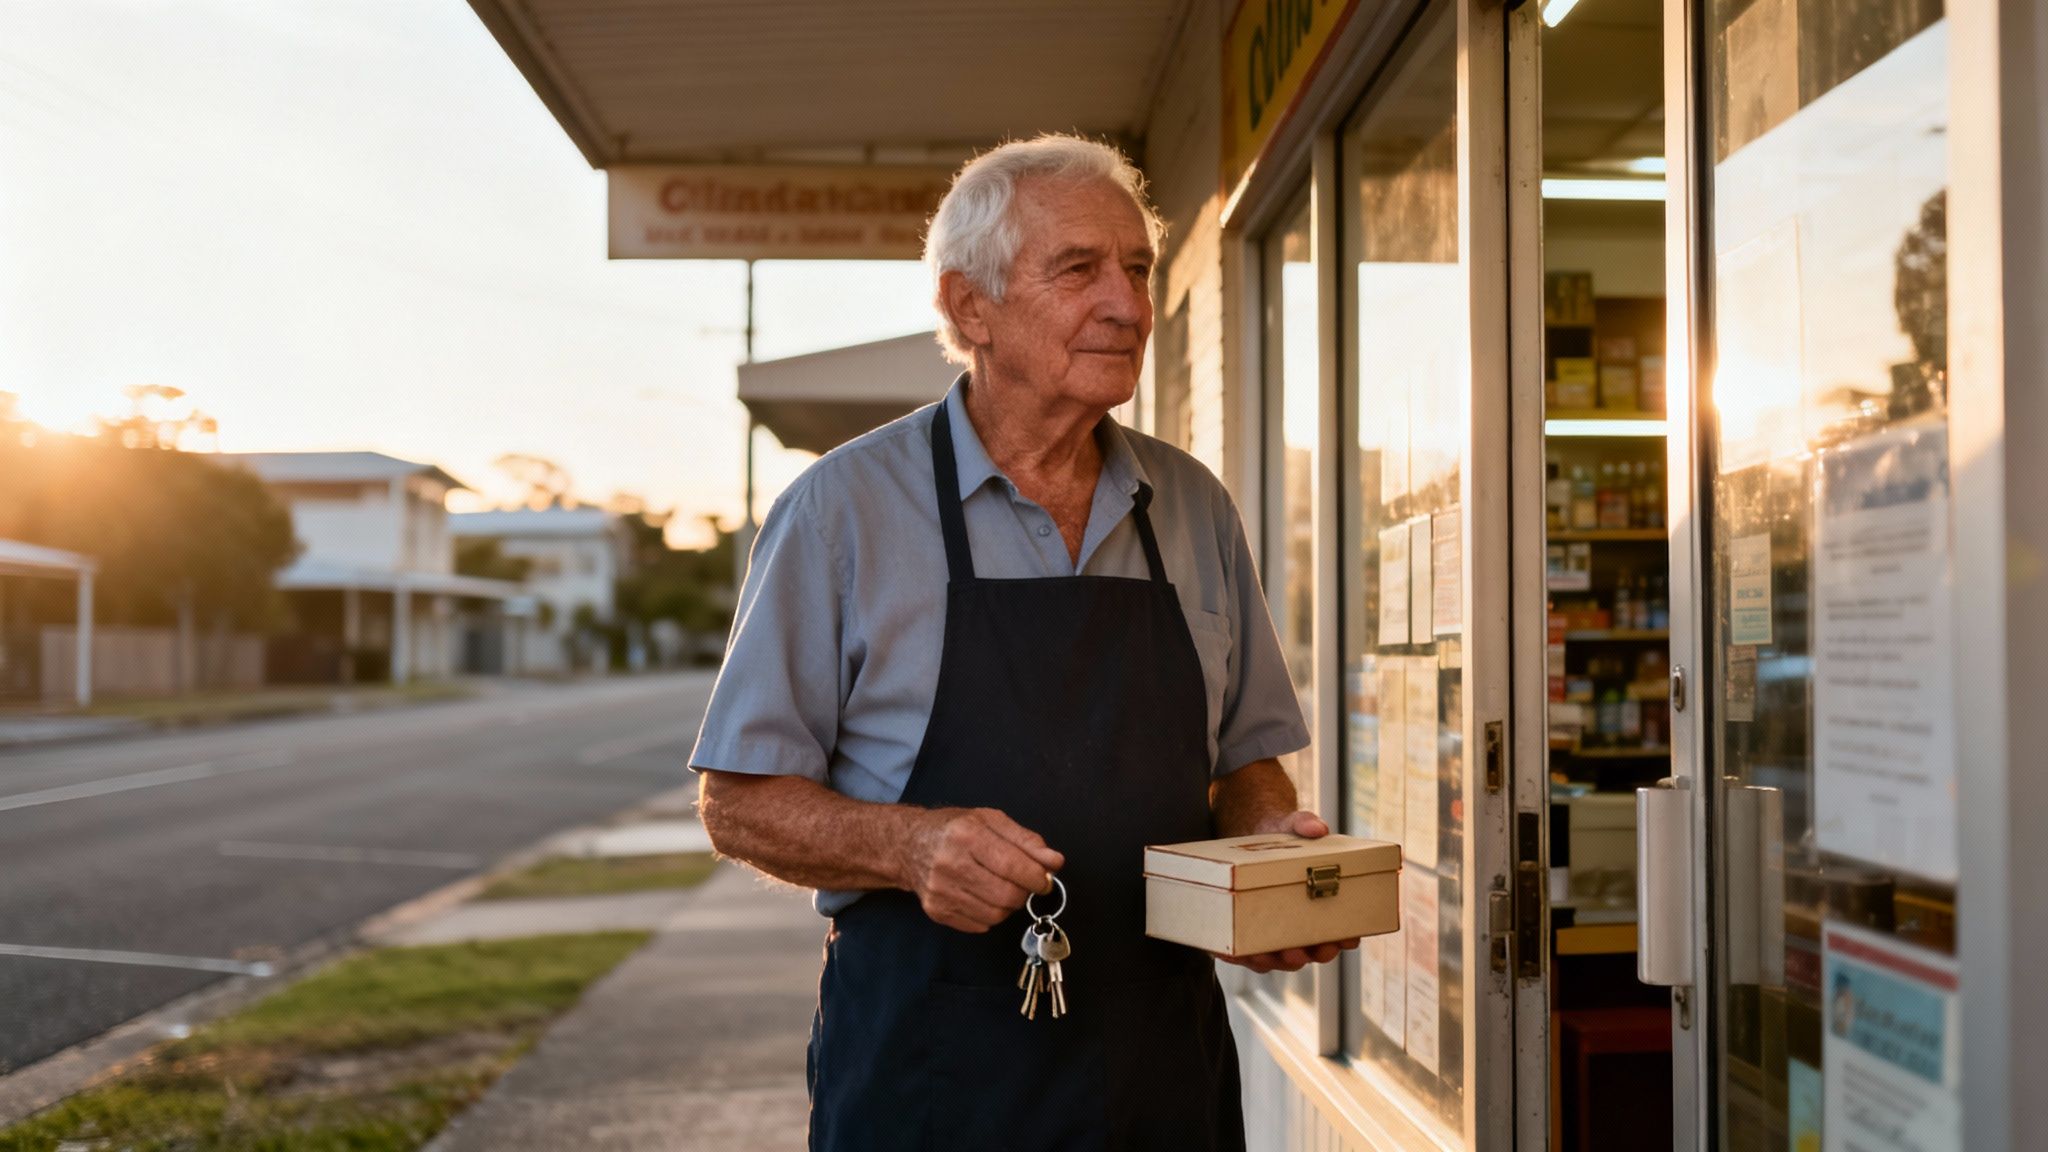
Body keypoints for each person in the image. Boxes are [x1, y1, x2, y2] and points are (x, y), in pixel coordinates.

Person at [691, 133, 1358, 1152]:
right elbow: (737, 803)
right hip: (932, 1080)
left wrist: (1262, 857)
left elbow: (1245, 764)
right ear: (971, 309)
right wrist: (909, 846)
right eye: (1078, 269)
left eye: (1135, 269)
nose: (1128, 304)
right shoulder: (841, 512)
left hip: (1161, 1072)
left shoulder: (1192, 507)